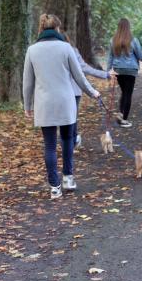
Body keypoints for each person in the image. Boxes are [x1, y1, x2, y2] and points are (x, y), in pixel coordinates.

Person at [23, 14, 100, 199]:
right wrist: (92, 92)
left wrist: (27, 105)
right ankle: (68, 178)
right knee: (67, 140)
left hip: (44, 104)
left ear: (41, 29)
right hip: (66, 102)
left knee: (49, 146)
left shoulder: (32, 50)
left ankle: (55, 187)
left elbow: (27, 83)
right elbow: (79, 76)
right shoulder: (66, 48)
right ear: (57, 29)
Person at [62, 32, 110, 147]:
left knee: (64, 118)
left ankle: (70, 140)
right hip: (73, 90)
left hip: (58, 91)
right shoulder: (73, 51)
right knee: (72, 117)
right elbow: (85, 68)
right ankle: (73, 139)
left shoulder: (50, 52)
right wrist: (105, 74)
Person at [107, 18, 142, 128]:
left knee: (124, 92)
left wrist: (108, 71)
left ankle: (121, 113)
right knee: (128, 94)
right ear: (128, 27)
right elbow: (141, 56)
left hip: (118, 70)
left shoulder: (113, 40)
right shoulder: (133, 40)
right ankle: (124, 119)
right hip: (130, 70)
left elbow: (110, 57)